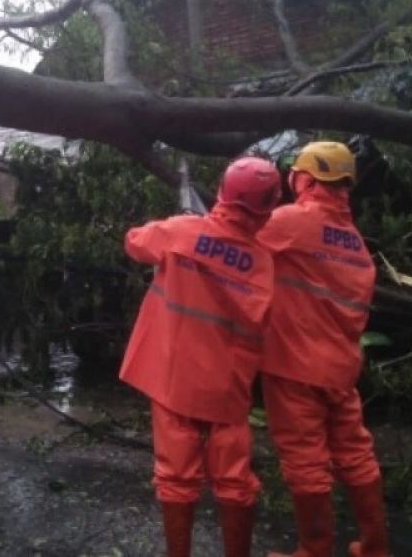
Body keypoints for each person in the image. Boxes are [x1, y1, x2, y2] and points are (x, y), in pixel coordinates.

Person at [119, 157, 282, 557]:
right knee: (234, 481)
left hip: (175, 381)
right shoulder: (263, 262)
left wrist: (181, 227)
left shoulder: (181, 232)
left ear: (223, 192)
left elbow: (134, 241)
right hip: (226, 390)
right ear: (268, 208)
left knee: (176, 477)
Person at [257, 142, 388, 557]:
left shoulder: (293, 221)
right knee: (355, 453)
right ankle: (374, 544)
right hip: (341, 371)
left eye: (295, 175)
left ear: (307, 179)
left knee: (305, 463)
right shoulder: (355, 245)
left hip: (295, 369)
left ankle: (314, 550)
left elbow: (235, 239)